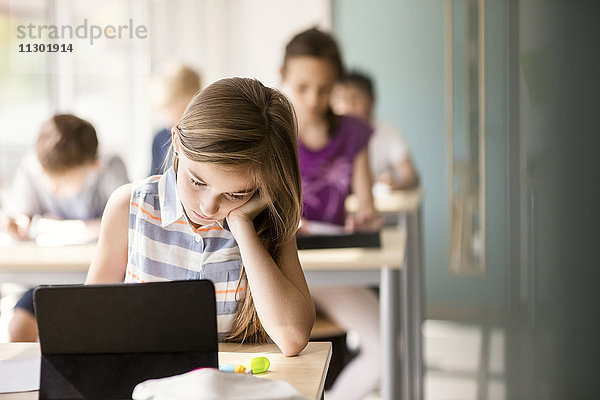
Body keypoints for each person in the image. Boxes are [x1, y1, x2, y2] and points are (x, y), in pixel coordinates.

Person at [86, 77, 315, 356]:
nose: (208, 207)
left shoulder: (267, 220)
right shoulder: (130, 206)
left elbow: (292, 338)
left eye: (235, 194)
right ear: (176, 142)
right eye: (197, 182)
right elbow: (91, 327)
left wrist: (243, 227)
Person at [280, 28, 382, 400]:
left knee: (386, 347)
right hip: (282, 265)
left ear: (336, 84)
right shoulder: (274, 130)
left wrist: (366, 219)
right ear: (283, 76)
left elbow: (366, 204)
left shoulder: (354, 132)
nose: (313, 98)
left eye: (324, 89)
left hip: (331, 267)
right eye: (303, 86)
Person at [2, 113, 129, 341]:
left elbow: (125, 224)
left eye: (61, 181)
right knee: (18, 330)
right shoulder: (34, 163)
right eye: (46, 178)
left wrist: (74, 227)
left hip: (95, 278)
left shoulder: (109, 167)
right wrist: (18, 222)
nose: (51, 187)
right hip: (47, 277)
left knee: (87, 333)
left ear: (93, 166)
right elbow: (21, 214)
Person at [331, 70, 420, 191]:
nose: (348, 106)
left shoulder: (388, 132)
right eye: (340, 99)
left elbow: (411, 176)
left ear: (372, 101)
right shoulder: (327, 136)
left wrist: (397, 185)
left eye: (355, 98)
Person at [149, 64, 201, 175]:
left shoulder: (207, 137)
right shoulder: (160, 139)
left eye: (177, 111)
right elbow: (153, 180)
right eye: (166, 111)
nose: (171, 122)